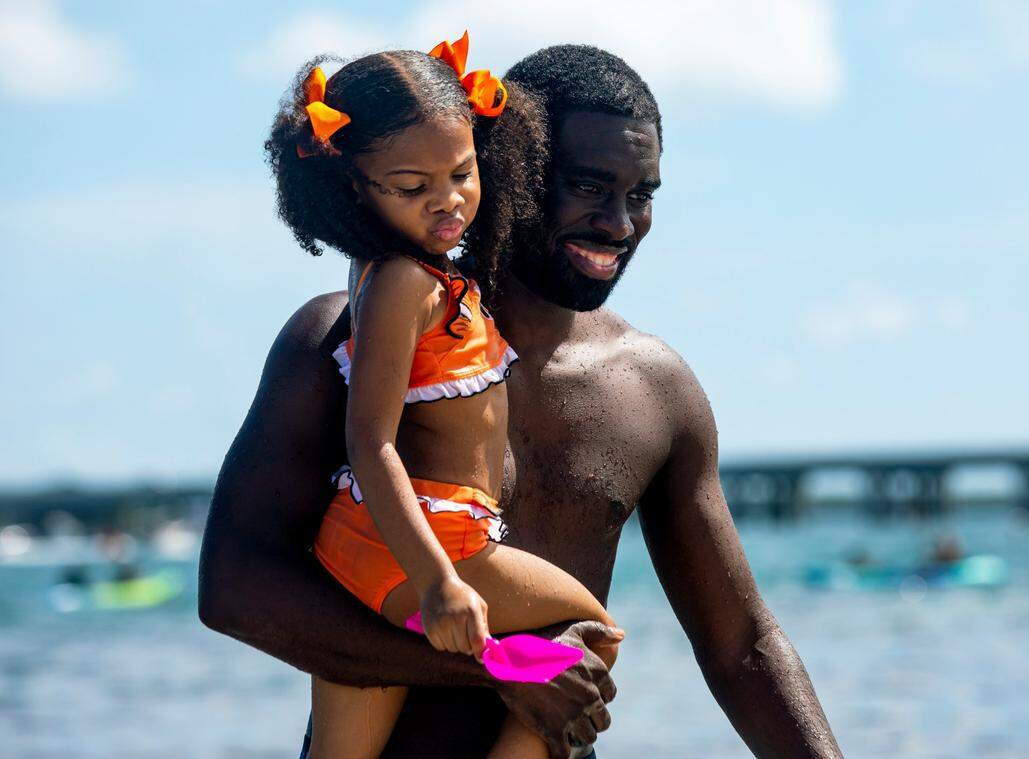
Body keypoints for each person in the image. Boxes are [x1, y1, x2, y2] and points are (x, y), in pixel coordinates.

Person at [200, 44, 842, 759]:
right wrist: (496, 669)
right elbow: (236, 588)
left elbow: (742, 646)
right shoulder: (344, 340)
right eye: (588, 186)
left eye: (642, 194)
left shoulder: (654, 390)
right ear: (512, 164)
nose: (620, 224)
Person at [263, 36, 618, 759]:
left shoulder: (403, 272)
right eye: (411, 185)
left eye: (461, 172)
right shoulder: (403, 283)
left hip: (369, 542)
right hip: (429, 544)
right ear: (350, 188)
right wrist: (438, 584)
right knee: (593, 633)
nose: (447, 200)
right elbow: (371, 440)